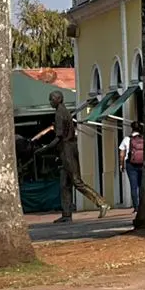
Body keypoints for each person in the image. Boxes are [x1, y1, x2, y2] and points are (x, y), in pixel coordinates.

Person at [33, 90, 108, 222]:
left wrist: (45, 149)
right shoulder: (63, 112)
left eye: (51, 99)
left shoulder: (60, 114)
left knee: (76, 181)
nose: (50, 102)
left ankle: (101, 203)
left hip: (68, 150)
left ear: (58, 99)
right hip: (65, 151)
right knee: (64, 184)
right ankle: (66, 214)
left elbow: (59, 137)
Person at [119, 124, 144, 208]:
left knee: (133, 186)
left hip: (130, 164)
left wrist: (121, 165)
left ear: (132, 129)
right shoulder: (143, 138)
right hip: (142, 164)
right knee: (141, 185)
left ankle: (136, 207)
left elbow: (122, 154)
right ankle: (142, 206)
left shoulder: (127, 139)